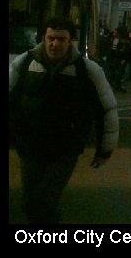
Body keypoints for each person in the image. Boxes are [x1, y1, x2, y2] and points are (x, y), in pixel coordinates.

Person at [9, 16, 119, 224]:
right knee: (29, 204)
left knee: (44, 203)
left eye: (61, 39)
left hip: (64, 151)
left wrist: (104, 150)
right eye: (51, 38)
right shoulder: (24, 62)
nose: (55, 44)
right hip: (30, 147)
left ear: (71, 41)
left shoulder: (88, 71)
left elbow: (107, 110)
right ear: (43, 38)